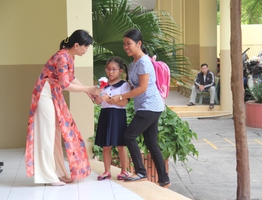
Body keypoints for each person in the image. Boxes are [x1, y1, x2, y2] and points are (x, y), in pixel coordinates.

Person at [25, 29, 101, 186]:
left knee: (56, 133)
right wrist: (88, 89)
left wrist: (90, 92)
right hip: (45, 93)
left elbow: (71, 78)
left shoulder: (69, 57)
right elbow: (65, 84)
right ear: (76, 45)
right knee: (48, 134)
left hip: (53, 93)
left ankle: (58, 173)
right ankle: (49, 176)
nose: (87, 50)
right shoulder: (62, 56)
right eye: (86, 47)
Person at [109, 29, 171, 188]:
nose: (125, 47)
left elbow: (142, 88)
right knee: (151, 144)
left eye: (129, 44)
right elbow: (134, 85)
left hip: (149, 106)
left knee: (129, 136)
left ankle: (141, 172)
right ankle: (164, 179)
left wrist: (122, 97)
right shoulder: (132, 63)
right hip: (147, 106)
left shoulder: (144, 62)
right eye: (124, 44)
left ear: (139, 44)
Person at [94, 56, 130, 181]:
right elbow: (98, 102)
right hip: (105, 114)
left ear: (120, 71)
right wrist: (98, 92)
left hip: (118, 115)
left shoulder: (124, 85)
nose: (110, 72)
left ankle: (124, 171)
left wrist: (109, 99)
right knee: (106, 145)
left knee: (120, 145)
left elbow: (124, 103)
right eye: (108, 69)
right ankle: (106, 171)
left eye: (114, 69)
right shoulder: (103, 85)